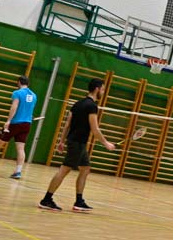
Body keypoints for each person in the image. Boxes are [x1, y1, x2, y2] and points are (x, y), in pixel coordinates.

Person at [38, 78, 115, 213]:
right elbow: (95, 129)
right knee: (64, 170)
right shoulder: (92, 106)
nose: (103, 92)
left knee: (85, 169)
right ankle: (46, 200)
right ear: (97, 89)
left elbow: (67, 124)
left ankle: (79, 201)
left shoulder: (78, 104)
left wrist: (61, 141)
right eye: (103, 89)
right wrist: (106, 143)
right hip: (77, 143)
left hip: (76, 142)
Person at [0, 76, 38, 179]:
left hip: (15, 123)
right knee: (21, 148)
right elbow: (29, 109)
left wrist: (8, 121)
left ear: (19, 82)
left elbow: (14, 107)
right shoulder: (34, 95)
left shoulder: (17, 93)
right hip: (27, 124)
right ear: (28, 83)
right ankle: (18, 171)